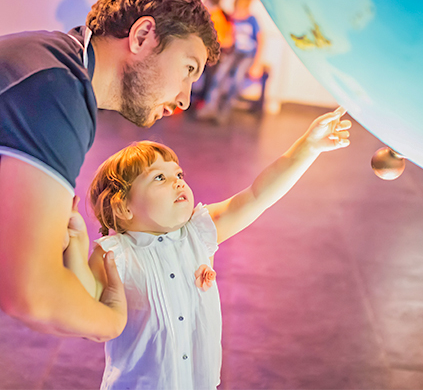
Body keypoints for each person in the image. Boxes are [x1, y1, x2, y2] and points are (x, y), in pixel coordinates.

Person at [0, 0, 220, 341]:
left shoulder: (58, 67)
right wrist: (113, 322)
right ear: (142, 36)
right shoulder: (57, 88)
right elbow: (32, 293)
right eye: (187, 69)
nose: (185, 98)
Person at [64, 107, 351, 389]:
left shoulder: (197, 233)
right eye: (159, 178)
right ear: (124, 206)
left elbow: (256, 196)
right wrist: (76, 243)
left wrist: (308, 147)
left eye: (178, 174)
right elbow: (85, 303)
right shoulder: (115, 253)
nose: (177, 182)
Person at [197, 0, 263, 124]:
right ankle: (210, 107)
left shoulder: (252, 20)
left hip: (247, 55)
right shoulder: (231, 18)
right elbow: (227, 36)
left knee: (237, 79)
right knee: (219, 76)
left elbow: (261, 41)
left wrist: (257, 63)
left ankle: (224, 112)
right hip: (233, 52)